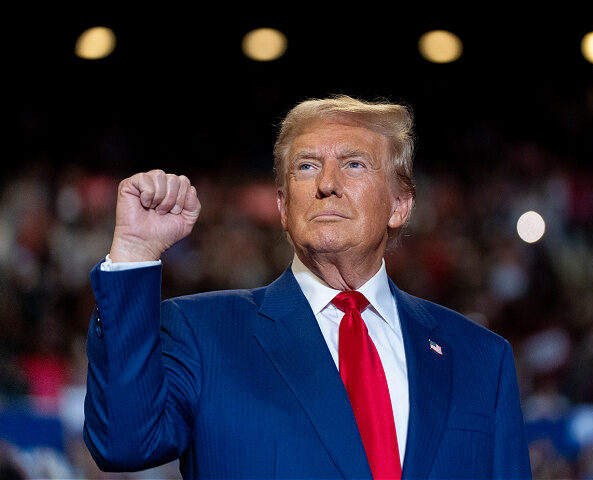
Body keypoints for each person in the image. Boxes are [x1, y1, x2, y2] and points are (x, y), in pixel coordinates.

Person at [83, 95, 532, 479]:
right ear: (282, 206)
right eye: (306, 166)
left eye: (354, 164)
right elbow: (123, 443)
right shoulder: (204, 334)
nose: (327, 184)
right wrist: (135, 253)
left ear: (399, 205)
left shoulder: (480, 358)